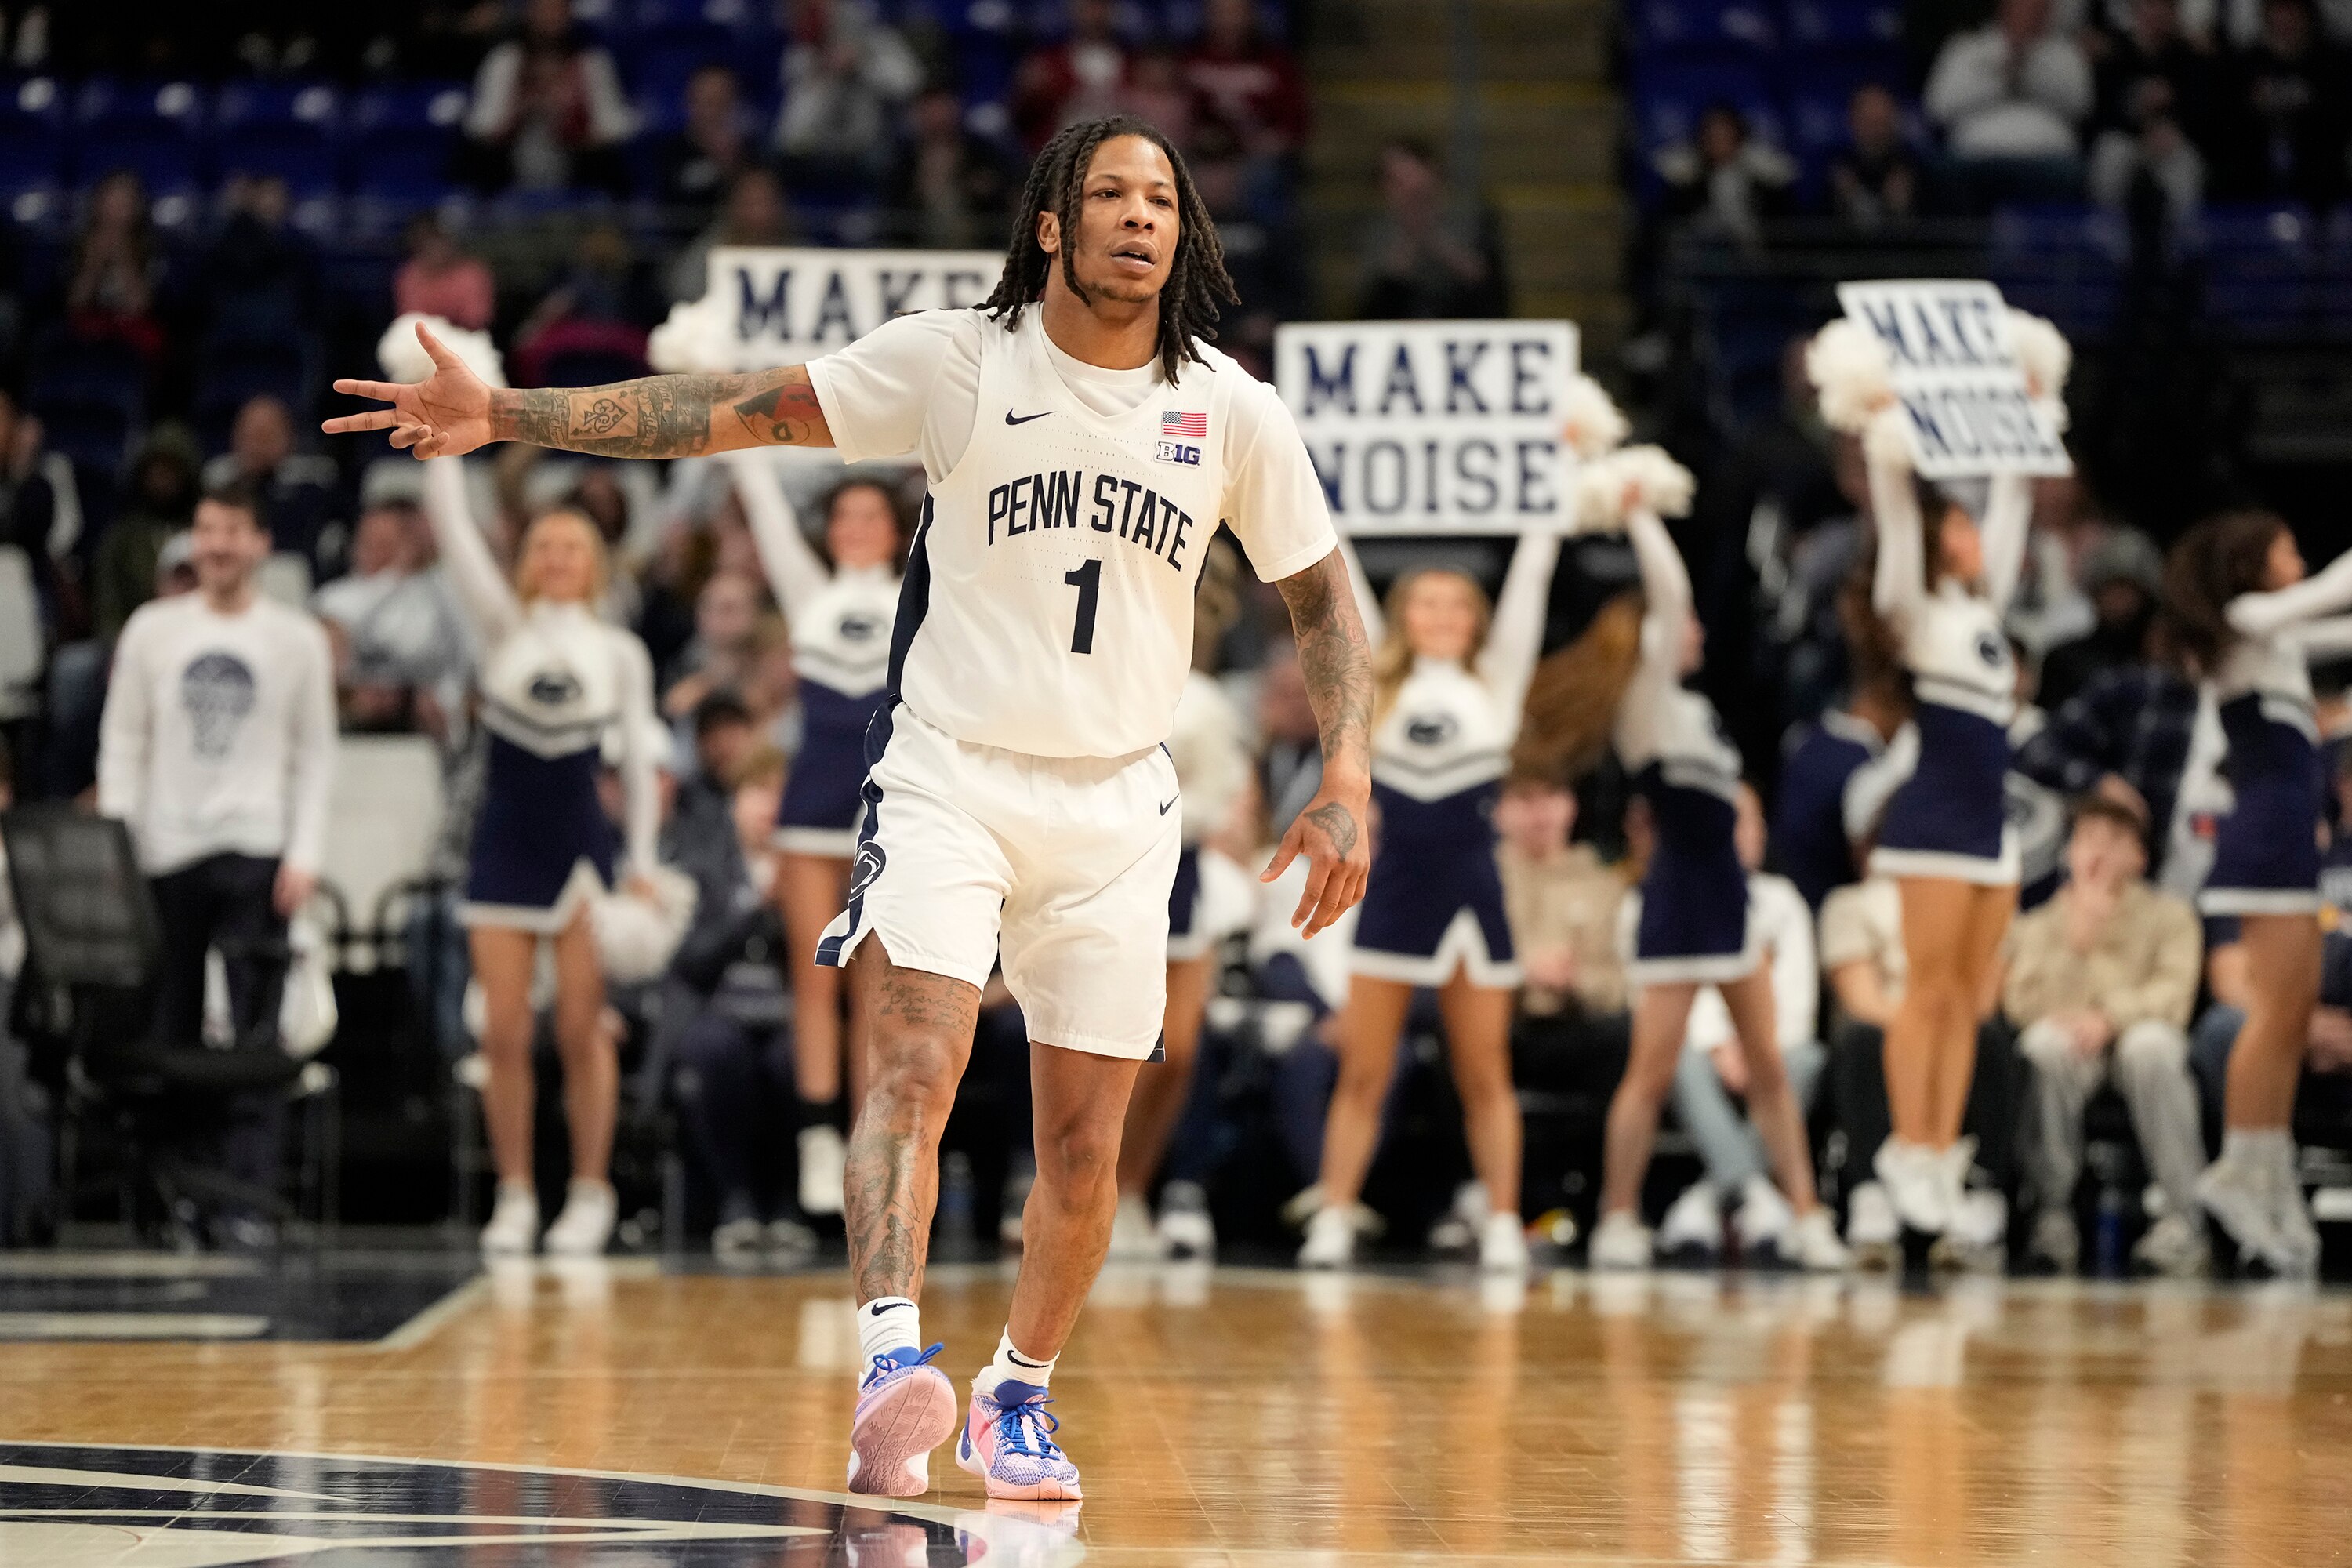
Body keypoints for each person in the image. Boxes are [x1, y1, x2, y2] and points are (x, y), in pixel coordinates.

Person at [325, 115, 1371, 1504]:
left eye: (1163, 199)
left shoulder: (1233, 407)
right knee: (914, 1064)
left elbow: (1321, 599)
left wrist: (1347, 774)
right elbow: (729, 409)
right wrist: (514, 415)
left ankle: (1017, 1397)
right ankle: (892, 1363)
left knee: (1082, 1145)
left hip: (1120, 800)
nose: (1141, 217)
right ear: (1051, 226)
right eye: (1109, 194)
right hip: (950, 769)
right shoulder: (959, 360)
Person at [1579, 460, 1845, 1272]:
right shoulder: (1645, 704)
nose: (1693, 626)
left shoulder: (1698, 709)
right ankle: (1617, 1216)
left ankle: (1804, 1214)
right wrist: (1641, 516)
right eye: (1679, 620)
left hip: (1728, 898)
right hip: (1677, 900)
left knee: (1767, 1066)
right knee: (1651, 1073)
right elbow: (1668, 594)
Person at [1295, 518, 1560, 1274]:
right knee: (1364, 1071)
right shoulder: (1378, 679)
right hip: (1395, 891)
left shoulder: (1495, 684)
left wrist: (1546, 516)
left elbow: (1531, 592)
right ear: (1403, 613)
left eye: (1459, 605)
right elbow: (1337, 574)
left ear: (1477, 621)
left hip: (1475, 897)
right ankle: (1336, 1215)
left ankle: (1505, 1222)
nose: (1443, 617)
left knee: (1485, 1074)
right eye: (1426, 603)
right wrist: (1316, 490)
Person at [418, 448, 663, 1258]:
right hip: (504, 848)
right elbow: (452, 530)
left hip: (582, 853)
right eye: (544, 546)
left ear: (595, 563)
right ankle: (516, 1190)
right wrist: (444, 448)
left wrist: (640, 860)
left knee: (582, 1028)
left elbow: (633, 760)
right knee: (505, 1035)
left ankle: (591, 1190)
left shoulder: (620, 651)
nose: (557, 557)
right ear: (526, 561)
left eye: (573, 547)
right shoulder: (502, 627)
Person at [96, 484, 337, 1245]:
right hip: (165, 850)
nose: (218, 544)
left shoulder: (295, 637)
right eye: (206, 529)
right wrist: (120, 841)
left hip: (257, 849)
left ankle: (244, 1199)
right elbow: (124, 740)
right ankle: (178, 1196)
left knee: (255, 1036)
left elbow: (316, 754)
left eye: (233, 529)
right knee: (170, 1033)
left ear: (262, 543)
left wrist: (305, 851)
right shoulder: (152, 629)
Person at [1855, 409, 2035, 1241]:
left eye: (1970, 522)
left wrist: (2026, 415)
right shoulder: (1915, 610)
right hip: (1929, 825)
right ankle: (1906, 1141)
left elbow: (2017, 499)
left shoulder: (1984, 610)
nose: (1971, 534)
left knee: (1968, 1000)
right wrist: (1881, 437)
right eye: (1955, 524)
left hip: (1992, 830)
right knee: (1922, 992)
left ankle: (1940, 1148)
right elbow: (1895, 521)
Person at [2162, 512, 2352, 1274]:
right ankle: (2239, 1167)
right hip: (2263, 843)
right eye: (2286, 549)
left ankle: (2267, 1166)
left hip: (2286, 845)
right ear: (2251, 565)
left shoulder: (2271, 644)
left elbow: (2338, 627)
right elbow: (2333, 589)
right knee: (2272, 1013)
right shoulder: (2241, 622)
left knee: (2291, 1012)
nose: (2298, 558)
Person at [721, 451, 906, 1219]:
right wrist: (733, 424)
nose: (856, 528)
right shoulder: (809, 593)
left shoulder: (917, 597)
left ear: (896, 531)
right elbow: (761, 505)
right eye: (844, 517)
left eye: (871, 516)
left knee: (876, 986)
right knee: (814, 974)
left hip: (889, 806)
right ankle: (815, 1136)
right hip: (809, 805)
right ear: (828, 532)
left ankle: (871, 1139)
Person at [1112, 541, 1254, 1261]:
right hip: (1103, 873)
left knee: (1179, 1051)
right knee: (1099, 1044)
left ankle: (1130, 1191)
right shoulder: (1096, 675)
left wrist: (1156, 809)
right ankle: (1075, 1190)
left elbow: (1221, 799)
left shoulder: (1207, 701)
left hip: (1180, 877)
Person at [2003, 794, 2207, 1274]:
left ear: (2139, 856)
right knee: (2043, 1047)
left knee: (2152, 1048)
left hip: (2136, 1035)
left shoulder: (2171, 917)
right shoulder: (2036, 923)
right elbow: (2021, 1004)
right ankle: (2051, 1214)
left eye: (2114, 840)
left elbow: (2174, 996)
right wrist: (2079, 939)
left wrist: (2111, 1017)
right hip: (2073, 1043)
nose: (2097, 851)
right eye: (2085, 838)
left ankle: (2184, 1219)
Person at [1652, 786, 1828, 1265]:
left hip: (1771, 1044)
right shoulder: (1669, 898)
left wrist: (1754, 1047)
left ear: (1762, 832)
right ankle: (1757, 1197)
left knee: (1806, 1060)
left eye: (1745, 821)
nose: (1734, 834)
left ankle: (1710, 1200)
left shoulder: (1783, 900)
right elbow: (1667, 996)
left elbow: (1798, 998)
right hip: (1699, 1050)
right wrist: (1717, 1046)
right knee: (1676, 1059)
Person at [664, 743, 818, 1265]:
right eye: (757, 792)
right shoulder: (705, 865)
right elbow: (691, 959)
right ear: (734, 803)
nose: (768, 806)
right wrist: (756, 911)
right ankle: (737, 1201)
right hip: (720, 1010)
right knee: (715, 1053)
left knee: (796, 1061)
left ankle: (788, 1206)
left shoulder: (816, 870)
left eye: (780, 793)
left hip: (793, 1014)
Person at [310, 496, 469, 739]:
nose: (371, 552)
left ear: (409, 545)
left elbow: (460, 662)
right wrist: (395, 576)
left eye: (384, 544)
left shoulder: (440, 594)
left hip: (429, 716)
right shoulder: (335, 596)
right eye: (365, 543)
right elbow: (327, 667)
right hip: (354, 717)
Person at [1923, 0, 2096, 205]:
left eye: (2037, 10)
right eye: (2021, 7)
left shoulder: (2065, 52)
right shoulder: (1968, 47)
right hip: (1974, 158)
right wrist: (2000, 76)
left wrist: (2028, 70)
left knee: (2073, 174)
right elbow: (1938, 106)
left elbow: (2082, 104)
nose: (2028, 16)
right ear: (2004, 8)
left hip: (2048, 161)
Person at [459, 0, 633, 196]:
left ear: (570, 16)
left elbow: (616, 126)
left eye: (558, 11)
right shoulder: (505, 61)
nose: (550, 18)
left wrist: (571, 125)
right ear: (529, 15)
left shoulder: (592, 63)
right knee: (479, 161)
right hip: (510, 168)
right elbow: (480, 125)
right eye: (543, 10)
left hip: (579, 170)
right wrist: (520, 110)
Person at [771, 0, 923, 189]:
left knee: (887, 158)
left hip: (866, 148)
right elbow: (793, 135)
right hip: (817, 151)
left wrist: (861, 63)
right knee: (777, 156)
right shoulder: (800, 55)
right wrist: (824, 75)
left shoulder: (875, 39)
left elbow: (908, 84)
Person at [1355, 140, 1508, 320]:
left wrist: (1436, 240)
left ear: (1432, 173)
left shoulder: (1471, 219)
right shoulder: (1378, 230)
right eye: (1395, 181)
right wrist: (1409, 241)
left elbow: (1489, 286)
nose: (1408, 190)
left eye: (1412, 179)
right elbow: (1370, 303)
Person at [656, 64, 758, 216]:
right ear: (689, 104)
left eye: (724, 101)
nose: (717, 111)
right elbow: (670, 210)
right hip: (690, 236)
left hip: (740, 236)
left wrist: (731, 164)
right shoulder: (668, 152)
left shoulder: (751, 150)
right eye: (709, 102)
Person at [1830, 84, 1926, 234]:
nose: (1876, 133)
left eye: (1882, 123)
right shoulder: (1839, 167)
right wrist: (1845, 201)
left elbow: (1935, 233)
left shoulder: (1913, 167)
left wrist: (1903, 211)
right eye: (1870, 123)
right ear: (1853, 121)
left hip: (1902, 253)